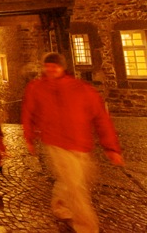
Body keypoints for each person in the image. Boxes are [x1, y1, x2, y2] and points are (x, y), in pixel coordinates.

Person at [22, 52, 124, 232]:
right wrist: (29, 138)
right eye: (48, 66)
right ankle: (86, 227)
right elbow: (28, 112)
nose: (51, 69)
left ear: (62, 67)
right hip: (56, 142)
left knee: (76, 179)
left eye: (55, 66)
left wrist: (111, 148)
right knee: (76, 187)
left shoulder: (82, 89)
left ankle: (60, 205)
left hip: (81, 143)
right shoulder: (36, 88)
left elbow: (101, 118)